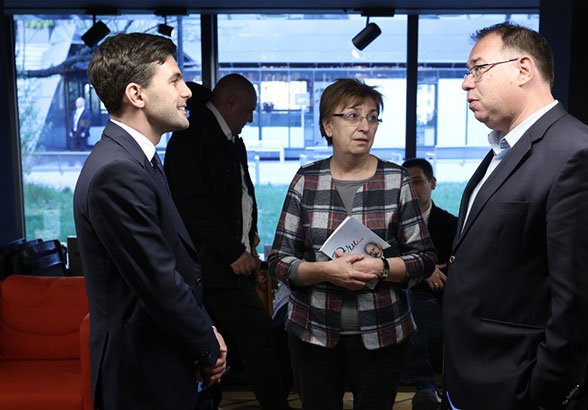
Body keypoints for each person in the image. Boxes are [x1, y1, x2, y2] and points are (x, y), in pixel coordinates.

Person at [443, 22, 588, 410]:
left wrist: (543, 391)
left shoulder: (575, 154)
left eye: (478, 68)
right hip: (474, 379)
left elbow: (581, 302)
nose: (466, 83)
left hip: (518, 387)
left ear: (523, 69)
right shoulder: (505, 149)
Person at [73, 33, 227, 410]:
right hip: (142, 376)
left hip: (162, 362)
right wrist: (208, 344)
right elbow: (159, 282)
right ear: (136, 95)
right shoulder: (117, 171)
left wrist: (205, 333)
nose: (187, 92)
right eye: (175, 80)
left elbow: (175, 265)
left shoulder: (137, 159)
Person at [268, 78, 437, 410]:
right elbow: (278, 260)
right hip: (312, 334)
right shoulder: (306, 180)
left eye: (372, 117)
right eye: (352, 116)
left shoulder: (397, 180)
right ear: (327, 126)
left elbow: (425, 258)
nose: (365, 126)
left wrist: (381, 267)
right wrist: (325, 271)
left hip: (384, 334)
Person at [164, 73, 290, 410]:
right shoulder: (192, 136)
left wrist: (248, 233)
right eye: (249, 110)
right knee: (258, 333)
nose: (250, 119)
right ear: (230, 103)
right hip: (211, 265)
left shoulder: (231, 138)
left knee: (215, 342)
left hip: (222, 261)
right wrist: (233, 250)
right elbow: (191, 205)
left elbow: (239, 193)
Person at [400, 158, 458, 410]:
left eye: (417, 182)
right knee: (408, 304)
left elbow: (453, 269)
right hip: (402, 294)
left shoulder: (451, 224)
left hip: (439, 298)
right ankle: (426, 385)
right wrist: (424, 269)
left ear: (432, 183)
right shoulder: (391, 226)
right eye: (407, 185)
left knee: (416, 309)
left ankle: (431, 387)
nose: (412, 190)